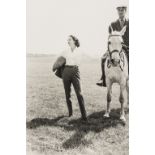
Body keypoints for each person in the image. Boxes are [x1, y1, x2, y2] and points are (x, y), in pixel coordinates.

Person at [96, 5, 129, 87]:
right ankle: (103, 79)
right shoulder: (113, 24)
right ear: (117, 12)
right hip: (115, 48)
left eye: (122, 10)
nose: (120, 12)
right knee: (103, 58)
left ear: (125, 11)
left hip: (128, 47)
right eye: (119, 10)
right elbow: (110, 38)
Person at [58, 35, 87, 121]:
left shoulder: (80, 51)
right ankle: (70, 113)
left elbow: (80, 61)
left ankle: (84, 116)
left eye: (70, 39)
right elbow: (59, 60)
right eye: (67, 40)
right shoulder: (65, 51)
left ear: (74, 40)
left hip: (75, 71)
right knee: (67, 94)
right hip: (66, 72)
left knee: (79, 93)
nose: (68, 41)